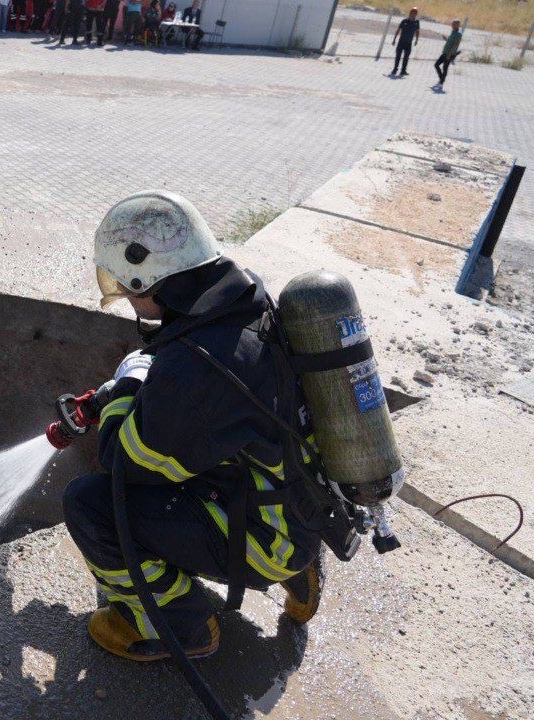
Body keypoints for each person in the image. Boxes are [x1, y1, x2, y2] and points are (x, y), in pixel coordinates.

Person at [62, 190, 324, 661]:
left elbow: (125, 462)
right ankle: (294, 567)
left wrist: (124, 393)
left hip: (263, 535)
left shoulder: (199, 366)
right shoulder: (242, 302)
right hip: (300, 511)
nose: (125, 296)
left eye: (128, 286)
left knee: (91, 505)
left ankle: (179, 628)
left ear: (151, 278)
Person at [433, 19, 463, 91]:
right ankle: (441, 81)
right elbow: (451, 42)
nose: (452, 25)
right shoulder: (453, 32)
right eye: (452, 24)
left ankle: (441, 83)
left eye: (454, 24)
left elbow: (455, 45)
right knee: (437, 65)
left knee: (444, 68)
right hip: (445, 52)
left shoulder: (458, 34)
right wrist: (446, 39)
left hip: (449, 54)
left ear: (458, 25)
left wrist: (449, 54)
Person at [390, 7, 420, 77]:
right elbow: (398, 30)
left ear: (416, 14)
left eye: (415, 13)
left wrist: (416, 40)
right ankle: (395, 69)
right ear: (410, 13)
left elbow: (418, 31)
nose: (413, 14)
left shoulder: (417, 22)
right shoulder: (404, 21)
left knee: (406, 58)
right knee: (398, 56)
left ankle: (403, 71)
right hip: (401, 42)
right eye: (412, 12)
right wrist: (394, 39)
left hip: (409, 43)